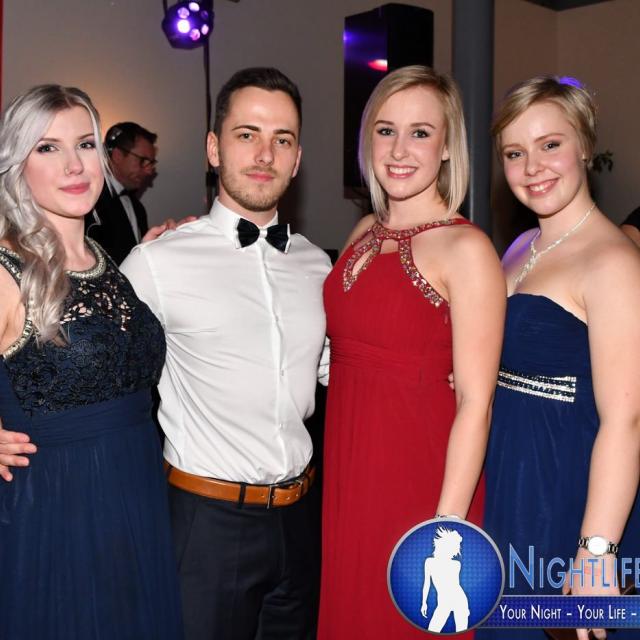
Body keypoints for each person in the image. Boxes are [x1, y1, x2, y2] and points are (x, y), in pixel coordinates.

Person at [118, 67, 330, 640]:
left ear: (297, 158)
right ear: (214, 149)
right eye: (246, 134)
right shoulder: (158, 262)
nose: (264, 153)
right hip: (206, 526)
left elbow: (344, 369)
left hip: (301, 521)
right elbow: (89, 364)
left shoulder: (318, 266)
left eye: (282, 139)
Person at [318, 65, 505, 639]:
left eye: (421, 133)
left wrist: (445, 531)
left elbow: (476, 402)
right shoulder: (361, 232)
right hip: (350, 470)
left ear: (447, 147)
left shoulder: (466, 248)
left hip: (421, 480)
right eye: (386, 130)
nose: (399, 150)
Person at [0, 85, 182, 639]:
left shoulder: (106, 261)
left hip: (136, 495)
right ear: (17, 165)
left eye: (84, 144)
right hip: (55, 511)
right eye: (47, 148)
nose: (74, 165)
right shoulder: (7, 269)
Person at [478, 76, 640, 640]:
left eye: (550, 144)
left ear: (585, 146)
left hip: (565, 498)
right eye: (514, 153)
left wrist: (596, 551)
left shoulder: (613, 262)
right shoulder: (520, 246)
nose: (532, 167)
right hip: (510, 482)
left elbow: (626, 420)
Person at [86, 121, 157, 264]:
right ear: (117, 156)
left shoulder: (138, 208)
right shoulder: (90, 201)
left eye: (151, 163)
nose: (149, 171)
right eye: (143, 161)